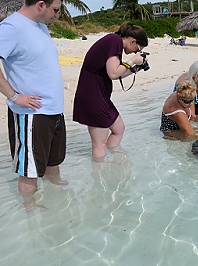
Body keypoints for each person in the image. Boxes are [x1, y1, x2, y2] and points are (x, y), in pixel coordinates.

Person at [0, 0, 67, 211]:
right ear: (41, 5)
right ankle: (30, 210)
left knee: (52, 162)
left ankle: (58, 196)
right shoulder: (12, 27)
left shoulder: (40, 27)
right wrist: (14, 96)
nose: (56, 15)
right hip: (31, 113)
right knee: (29, 170)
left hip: (54, 109)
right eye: (55, 10)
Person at [73, 22, 149, 161]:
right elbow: (113, 73)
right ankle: (100, 178)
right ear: (133, 41)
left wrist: (135, 69)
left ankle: (115, 165)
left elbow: (116, 73)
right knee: (99, 144)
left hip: (100, 95)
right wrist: (133, 60)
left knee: (119, 129)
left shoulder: (115, 43)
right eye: (137, 49)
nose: (135, 52)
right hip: (92, 95)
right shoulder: (113, 41)